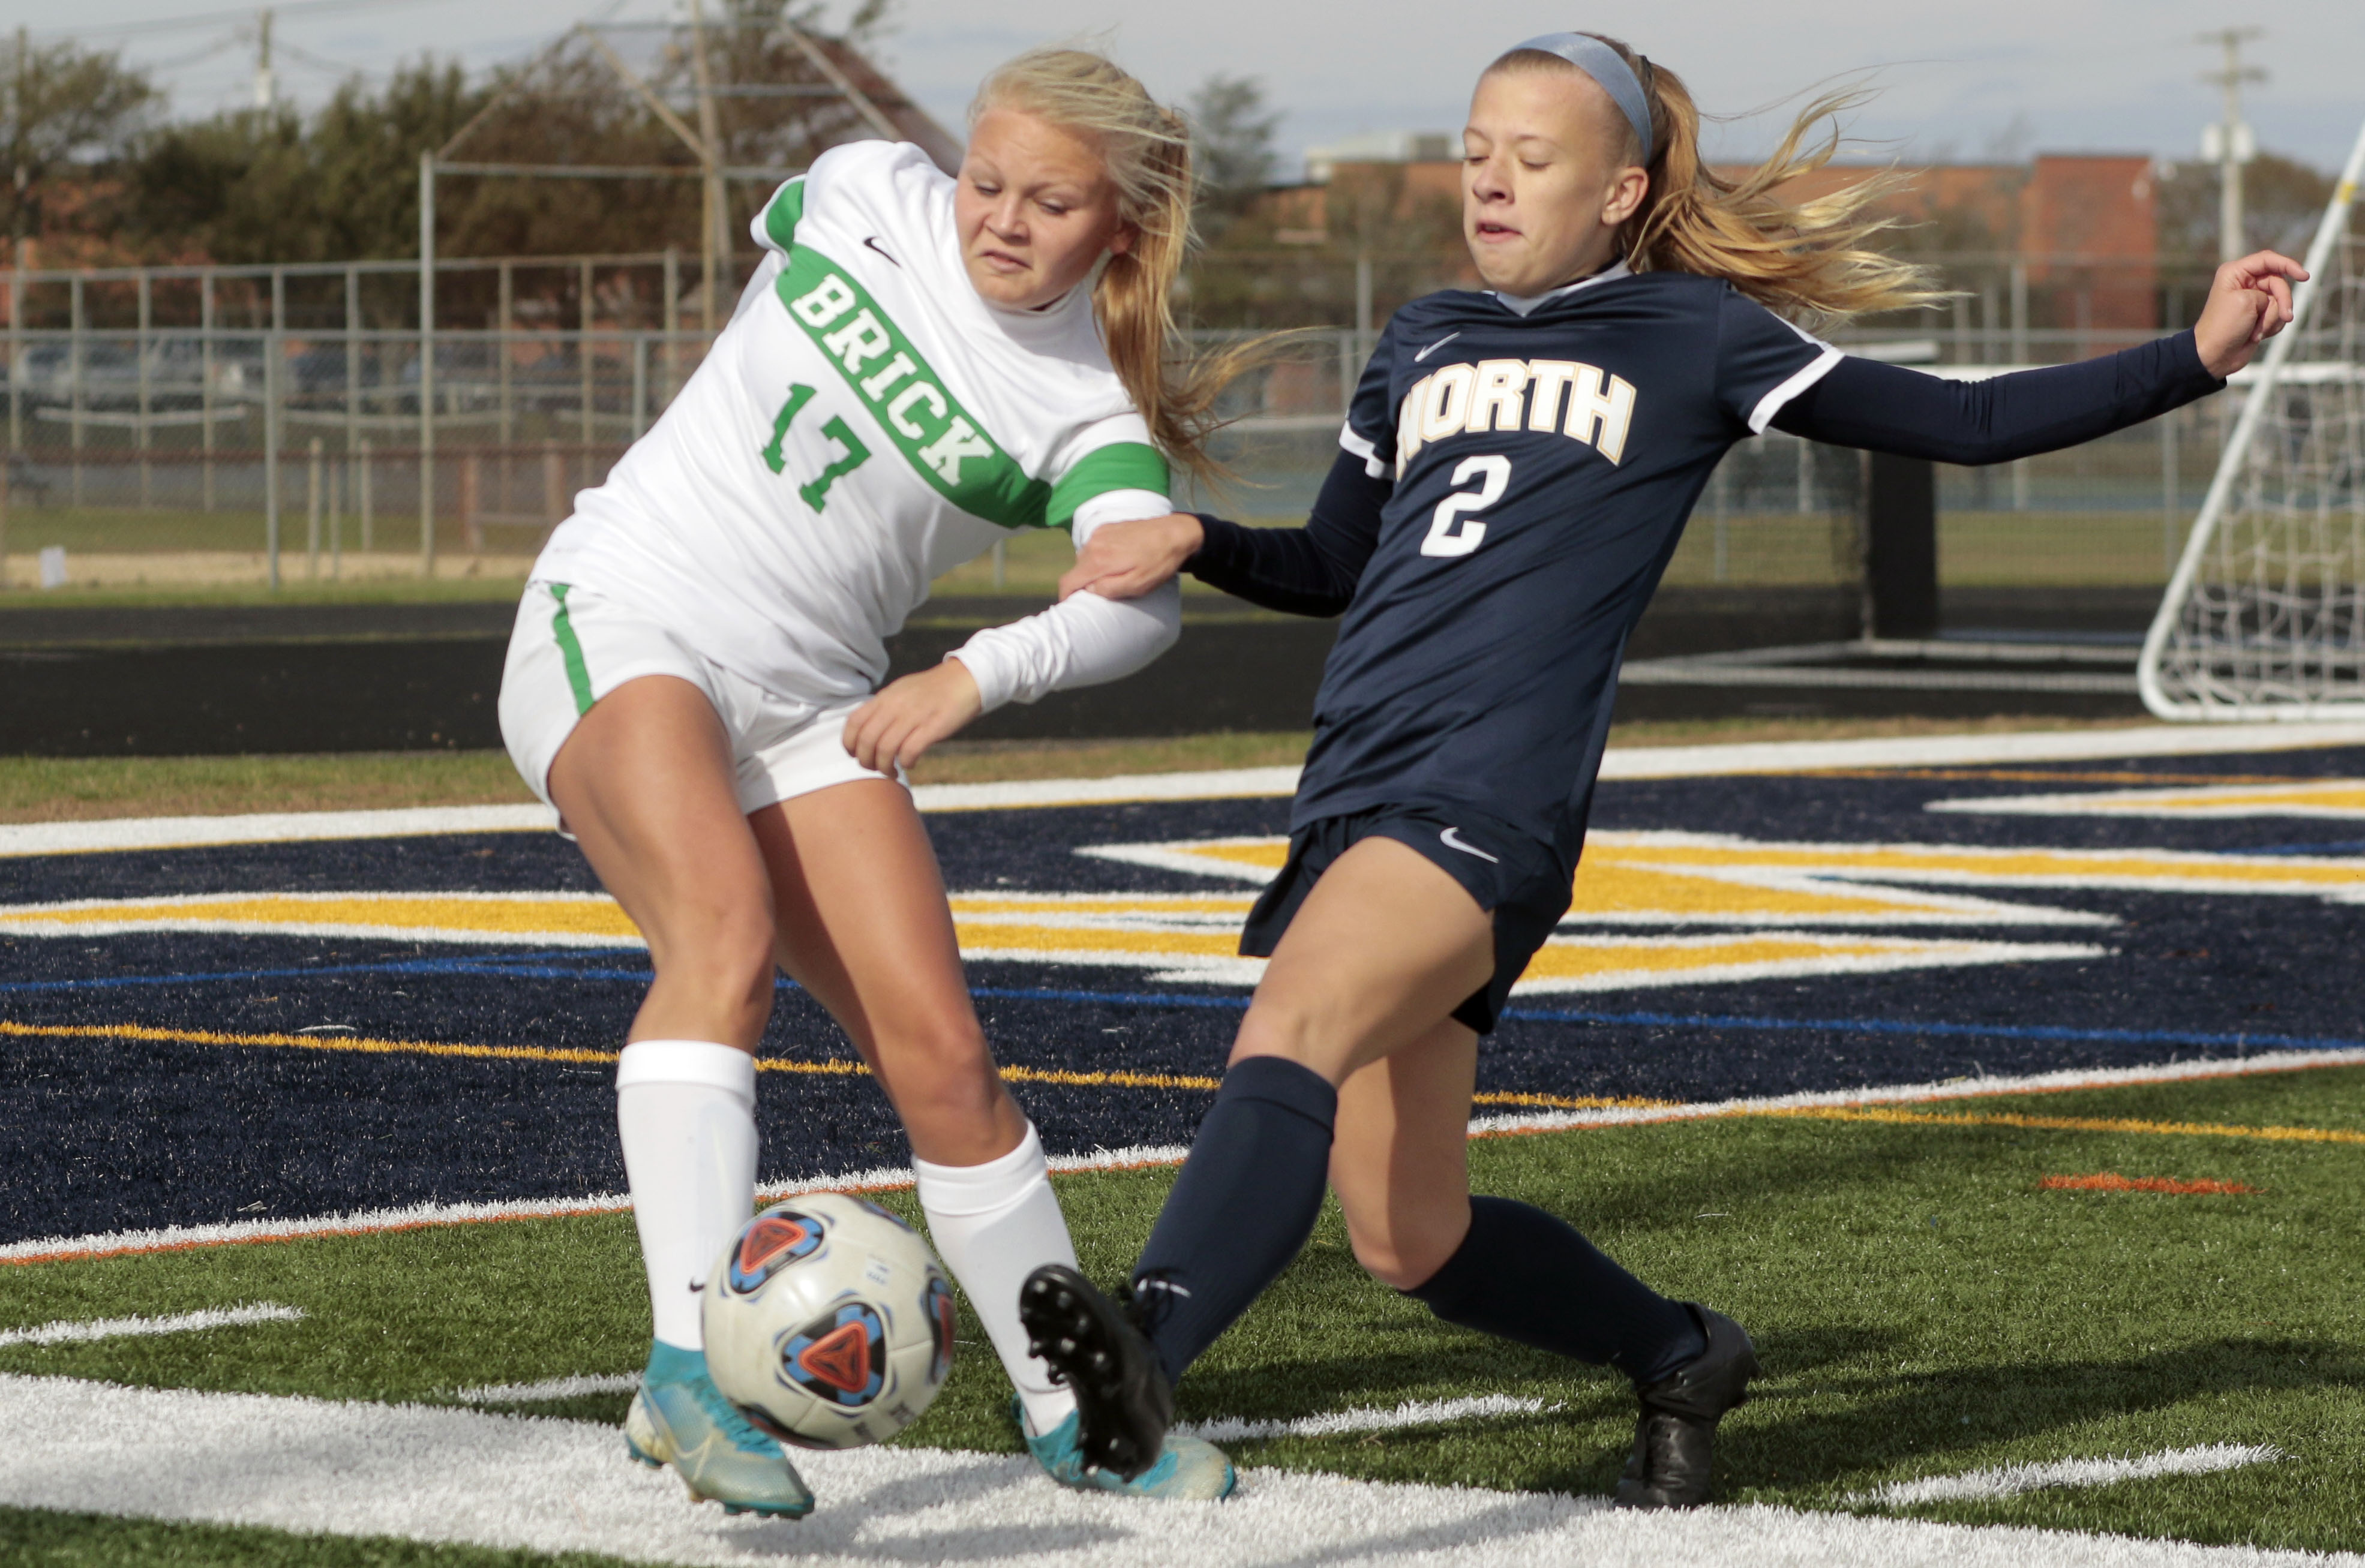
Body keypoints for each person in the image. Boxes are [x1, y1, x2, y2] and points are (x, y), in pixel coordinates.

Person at [1018, 31, 2304, 1508]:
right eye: (1476, 149)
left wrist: (2193, 360)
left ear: (1623, 189)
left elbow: (1967, 418)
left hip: (1491, 798)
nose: (1490, 179)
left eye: (1533, 156)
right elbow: (1332, 566)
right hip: (1355, 788)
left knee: (1290, 1021)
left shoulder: (1698, 335)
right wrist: (1203, 537)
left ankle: (1148, 1340)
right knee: (1407, 1234)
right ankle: (1683, 1348)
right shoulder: (1421, 336)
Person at [496, 48, 1254, 1516]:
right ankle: (688, 1372)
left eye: (1052, 202)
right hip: (624, 607)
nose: (1002, 222)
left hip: (814, 702)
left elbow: (1137, 602)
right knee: (720, 944)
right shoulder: (853, 187)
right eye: (988, 181)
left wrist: (972, 675)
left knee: (947, 1060)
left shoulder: (1084, 410)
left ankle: (1083, 1411)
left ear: (1120, 227)